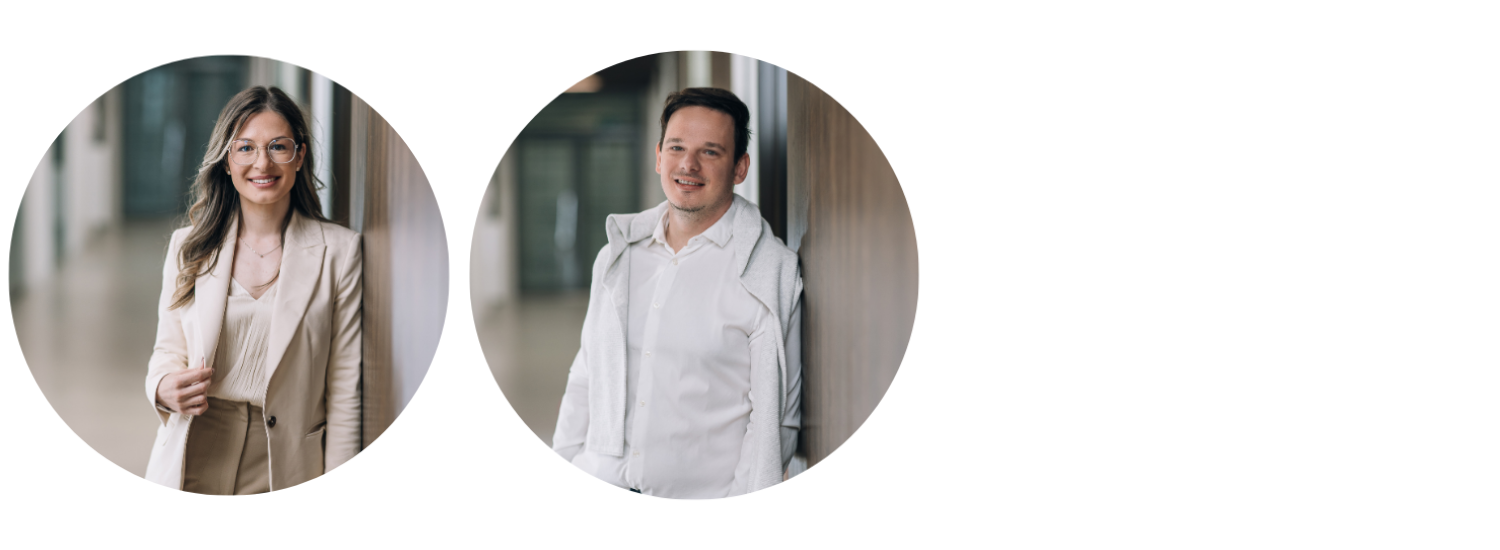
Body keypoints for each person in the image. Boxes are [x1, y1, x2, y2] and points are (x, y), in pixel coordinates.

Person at [551, 88, 803, 500]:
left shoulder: (769, 273)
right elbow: (586, 375)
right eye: (677, 147)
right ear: (658, 157)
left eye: (710, 152)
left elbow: (774, 424)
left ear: (740, 168)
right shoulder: (617, 256)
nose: (688, 165)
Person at [144, 86, 362, 495]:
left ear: (299, 155)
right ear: (227, 161)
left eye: (278, 146)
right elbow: (167, 350)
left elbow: (345, 389)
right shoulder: (188, 246)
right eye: (245, 148)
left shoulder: (340, 252)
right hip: (196, 446)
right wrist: (160, 387)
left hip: (286, 460)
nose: (262, 162)